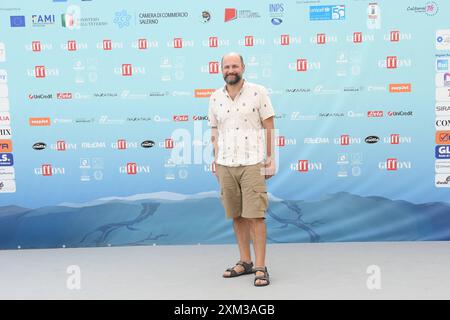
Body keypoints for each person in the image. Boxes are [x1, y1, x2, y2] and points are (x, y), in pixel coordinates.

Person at [208, 52, 276, 287]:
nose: (230, 70)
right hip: (226, 164)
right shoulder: (215, 97)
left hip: (252, 162)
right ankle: (245, 262)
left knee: (255, 216)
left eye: (235, 65)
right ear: (221, 70)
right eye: (226, 66)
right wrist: (216, 159)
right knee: (236, 215)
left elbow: (269, 126)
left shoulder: (259, 92)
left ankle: (260, 266)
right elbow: (214, 131)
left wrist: (270, 159)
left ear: (243, 67)